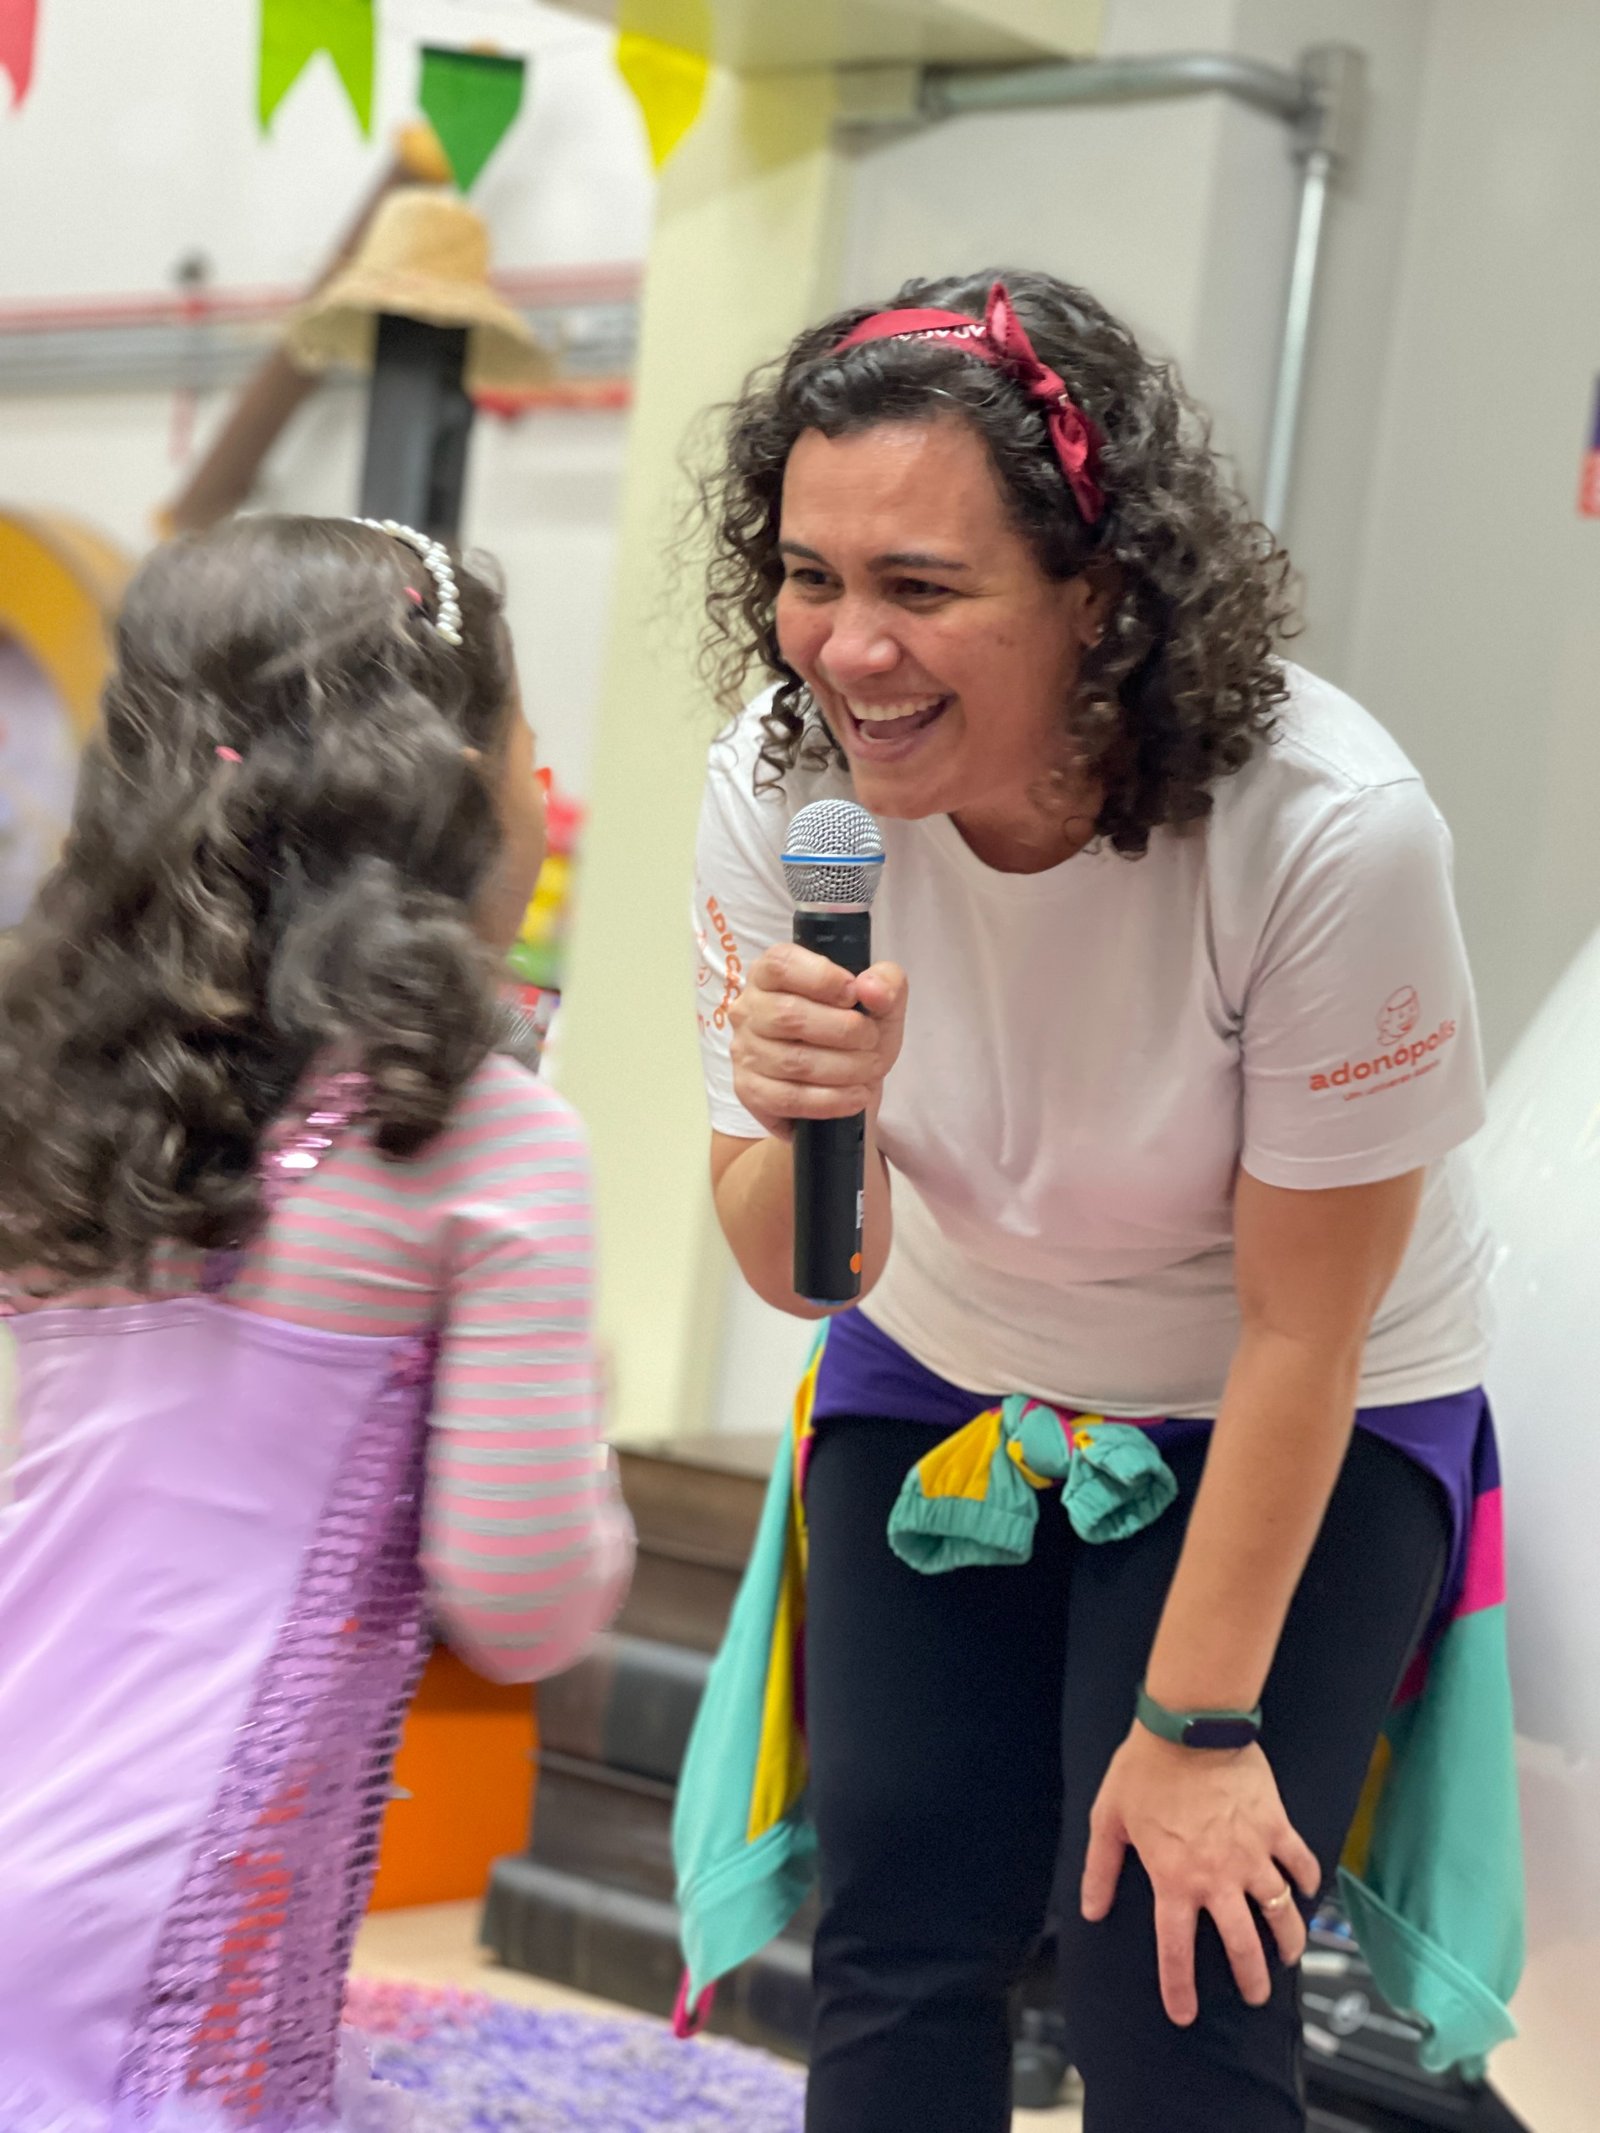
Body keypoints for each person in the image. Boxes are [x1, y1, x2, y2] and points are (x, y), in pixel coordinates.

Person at [691, 271, 1500, 2132]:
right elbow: (810, 1268)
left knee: (1164, 1958)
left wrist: (1200, 1724)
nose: (845, 648)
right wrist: (822, 1122)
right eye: (813, 576)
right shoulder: (782, 783)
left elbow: (1309, 1317)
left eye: (920, 587)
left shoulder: (1326, 826)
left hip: (1294, 1388)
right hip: (947, 1347)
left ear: (1100, 592)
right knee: (897, 1932)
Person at [0, 516, 634, 2129]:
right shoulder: (481, 1138)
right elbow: (526, 1602)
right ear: (443, 790)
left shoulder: (69, 1087)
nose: (539, 791)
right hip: (180, 1898)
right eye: (525, 747)